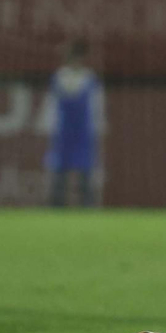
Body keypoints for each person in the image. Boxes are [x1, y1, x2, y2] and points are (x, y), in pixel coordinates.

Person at [43, 40, 102, 207]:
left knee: (85, 173)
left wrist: (97, 128)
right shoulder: (59, 77)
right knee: (59, 173)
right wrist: (49, 127)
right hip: (63, 132)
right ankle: (56, 207)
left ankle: (87, 208)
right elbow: (50, 105)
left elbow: (97, 106)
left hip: (84, 132)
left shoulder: (90, 78)